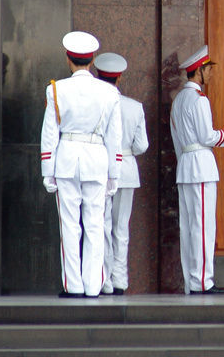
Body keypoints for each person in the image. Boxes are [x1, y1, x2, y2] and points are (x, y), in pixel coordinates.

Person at [40, 31, 122, 298]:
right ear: (93, 59)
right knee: (96, 224)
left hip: (67, 159)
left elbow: (50, 133)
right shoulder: (109, 92)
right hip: (97, 159)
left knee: (70, 225)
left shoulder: (56, 89)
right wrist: (114, 173)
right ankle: (93, 285)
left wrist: (47, 170)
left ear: (68, 60)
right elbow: (114, 137)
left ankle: (73, 285)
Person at [170, 45, 224, 294]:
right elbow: (208, 136)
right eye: (208, 70)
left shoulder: (178, 101)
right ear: (199, 72)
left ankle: (191, 281)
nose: (211, 74)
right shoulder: (198, 100)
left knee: (189, 226)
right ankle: (203, 282)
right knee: (203, 226)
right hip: (201, 167)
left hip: (185, 166)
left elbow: (176, 140)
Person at [93, 52, 149, 296]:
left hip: (101, 168)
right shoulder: (134, 107)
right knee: (121, 228)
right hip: (126, 169)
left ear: (98, 76)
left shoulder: (96, 104)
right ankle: (120, 281)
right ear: (119, 78)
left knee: (102, 225)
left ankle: (104, 280)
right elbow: (142, 146)